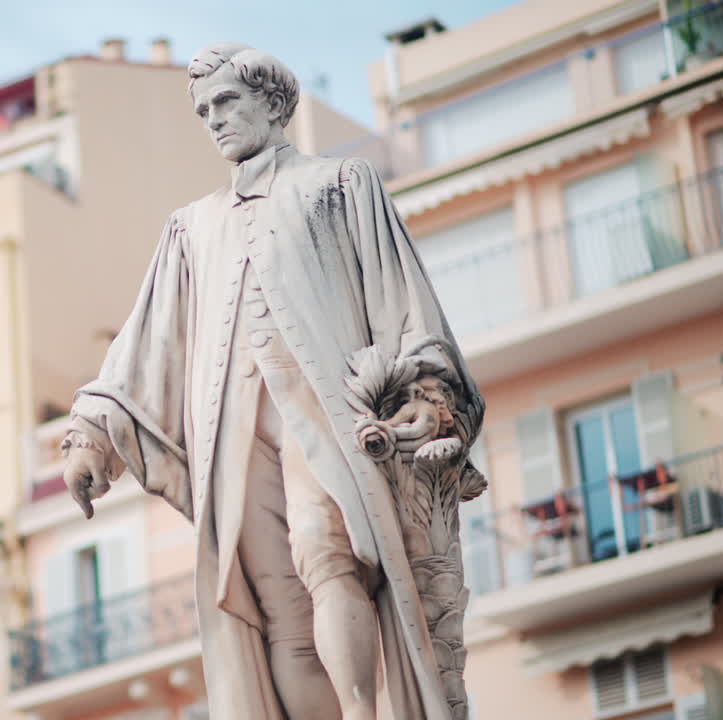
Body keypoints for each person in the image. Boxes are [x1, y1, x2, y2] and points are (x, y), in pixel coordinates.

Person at [60, 42, 484, 720]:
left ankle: (361, 714)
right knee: (273, 600)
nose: (216, 120)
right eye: (204, 111)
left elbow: (402, 300)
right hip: (229, 427)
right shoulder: (190, 227)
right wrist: (89, 437)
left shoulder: (338, 185)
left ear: (273, 101)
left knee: (328, 553)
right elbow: (147, 342)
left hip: (319, 410)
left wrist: (430, 395)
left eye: (227, 101)